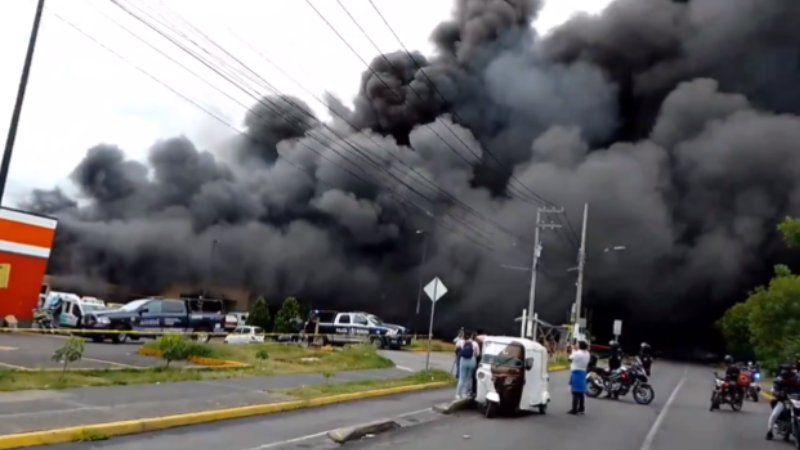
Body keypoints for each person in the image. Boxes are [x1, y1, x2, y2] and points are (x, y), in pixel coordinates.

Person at [766, 363, 800, 440]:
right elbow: (773, 389)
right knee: (774, 415)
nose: (788, 371)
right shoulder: (779, 379)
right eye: (786, 370)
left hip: (797, 400)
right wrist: (777, 393)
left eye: (790, 369)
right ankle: (769, 432)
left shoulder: (798, 378)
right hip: (784, 400)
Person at [568, 340, 590, 415]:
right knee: (581, 391)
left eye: (577, 344)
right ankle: (581, 408)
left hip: (576, 372)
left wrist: (573, 350)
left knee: (575, 391)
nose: (576, 345)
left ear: (580, 345)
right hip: (583, 372)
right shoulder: (587, 353)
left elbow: (569, 359)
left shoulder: (577, 353)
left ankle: (574, 409)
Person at [455, 332, 480, 399]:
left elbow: (457, 347)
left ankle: (457, 394)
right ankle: (465, 394)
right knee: (469, 378)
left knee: (461, 378)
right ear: (471, 336)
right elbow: (477, 354)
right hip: (472, 360)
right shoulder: (475, 343)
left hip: (463, 360)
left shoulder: (461, 342)